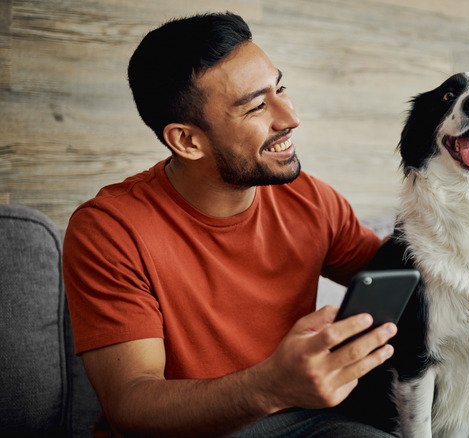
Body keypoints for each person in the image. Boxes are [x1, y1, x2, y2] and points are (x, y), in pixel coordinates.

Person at [63, 12, 397, 438]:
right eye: (257, 106)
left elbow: (396, 271)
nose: (289, 117)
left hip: (308, 422)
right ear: (187, 141)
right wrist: (270, 385)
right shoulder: (109, 229)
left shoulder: (309, 197)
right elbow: (130, 402)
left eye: (281, 89)